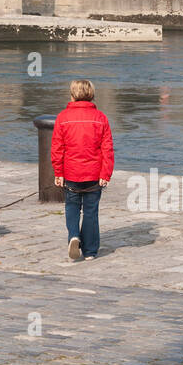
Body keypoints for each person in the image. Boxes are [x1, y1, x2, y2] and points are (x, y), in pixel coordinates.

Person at [50, 79, 114, 262]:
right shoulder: (101, 118)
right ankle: (90, 251)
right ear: (92, 95)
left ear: (72, 94)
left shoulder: (62, 117)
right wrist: (105, 173)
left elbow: (57, 148)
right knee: (91, 211)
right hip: (94, 172)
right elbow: (107, 148)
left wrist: (58, 172)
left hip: (70, 171)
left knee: (72, 207)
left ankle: (73, 236)